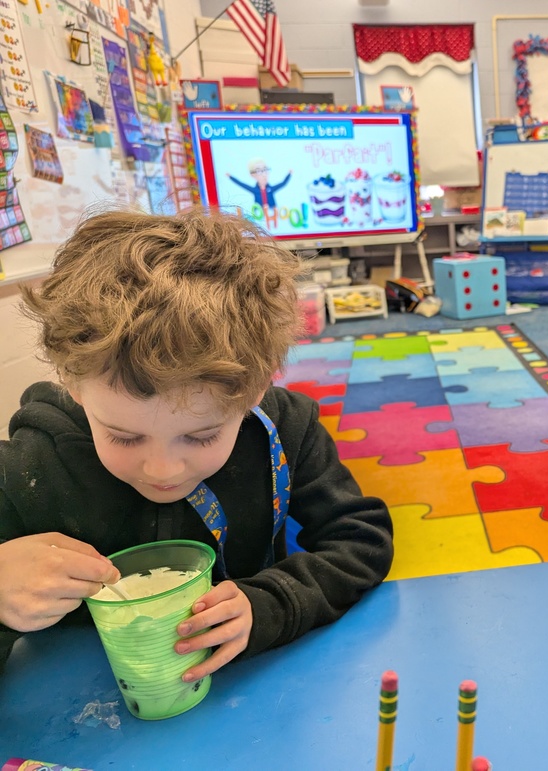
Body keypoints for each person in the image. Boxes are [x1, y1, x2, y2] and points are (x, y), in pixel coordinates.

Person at [0, 209, 394, 677]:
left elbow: (361, 539)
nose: (163, 470)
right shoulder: (32, 466)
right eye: (123, 436)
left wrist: (270, 604)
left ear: (254, 392)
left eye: (202, 434)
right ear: (72, 382)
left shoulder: (287, 429)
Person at [227, 158, 293, 210]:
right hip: (259, 216)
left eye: (265, 170)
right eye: (259, 171)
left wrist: (289, 174)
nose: (264, 174)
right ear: (252, 175)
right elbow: (241, 184)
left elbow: (283, 183)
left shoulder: (270, 189)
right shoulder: (255, 190)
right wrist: (230, 177)